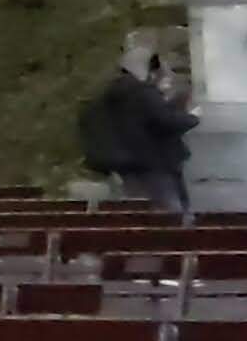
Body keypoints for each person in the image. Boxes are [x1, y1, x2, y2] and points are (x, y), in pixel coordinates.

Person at [77, 42, 198, 215]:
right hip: (154, 166)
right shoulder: (142, 93)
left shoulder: (111, 94)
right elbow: (165, 121)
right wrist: (193, 117)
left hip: (126, 167)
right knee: (171, 216)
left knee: (138, 213)